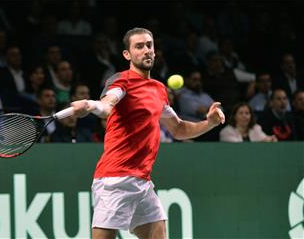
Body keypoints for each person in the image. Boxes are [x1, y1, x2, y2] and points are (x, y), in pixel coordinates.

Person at [69, 28, 225, 239]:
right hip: (115, 180)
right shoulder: (121, 81)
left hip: (142, 181)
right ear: (127, 54)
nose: (147, 51)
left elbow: (178, 129)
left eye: (149, 45)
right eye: (139, 46)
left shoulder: (158, 89)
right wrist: (90, 104)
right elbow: (107, 106)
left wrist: (210, 123)